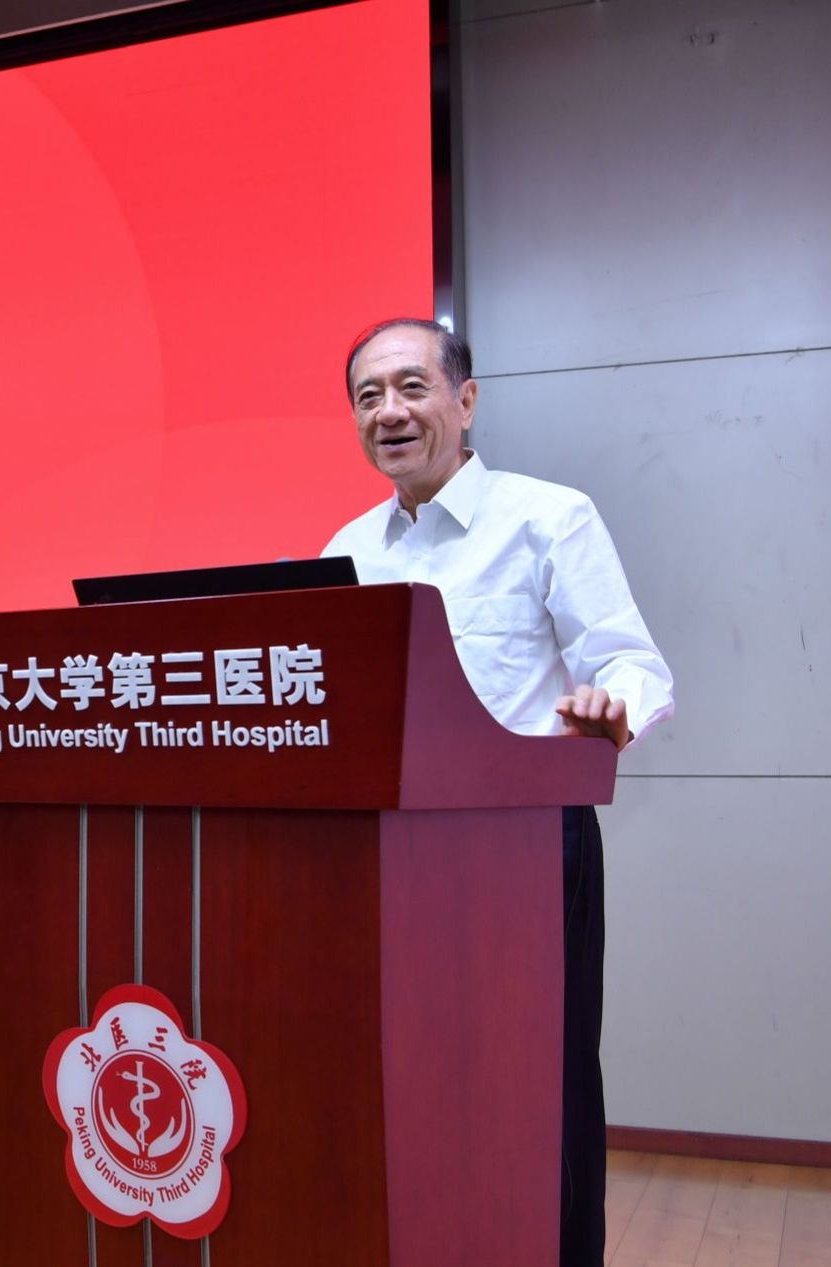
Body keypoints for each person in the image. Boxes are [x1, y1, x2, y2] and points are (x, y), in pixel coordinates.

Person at [322, 318, 674, 1267]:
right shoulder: (347, 549)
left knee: (540, 1083)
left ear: (465, 400)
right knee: (410, 1077)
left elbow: (634, 664)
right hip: (389, 854)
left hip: (527, 844)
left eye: (411, 387)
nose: (389, 412)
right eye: (367, 397)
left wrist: (611, 705)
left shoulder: (548, 517)